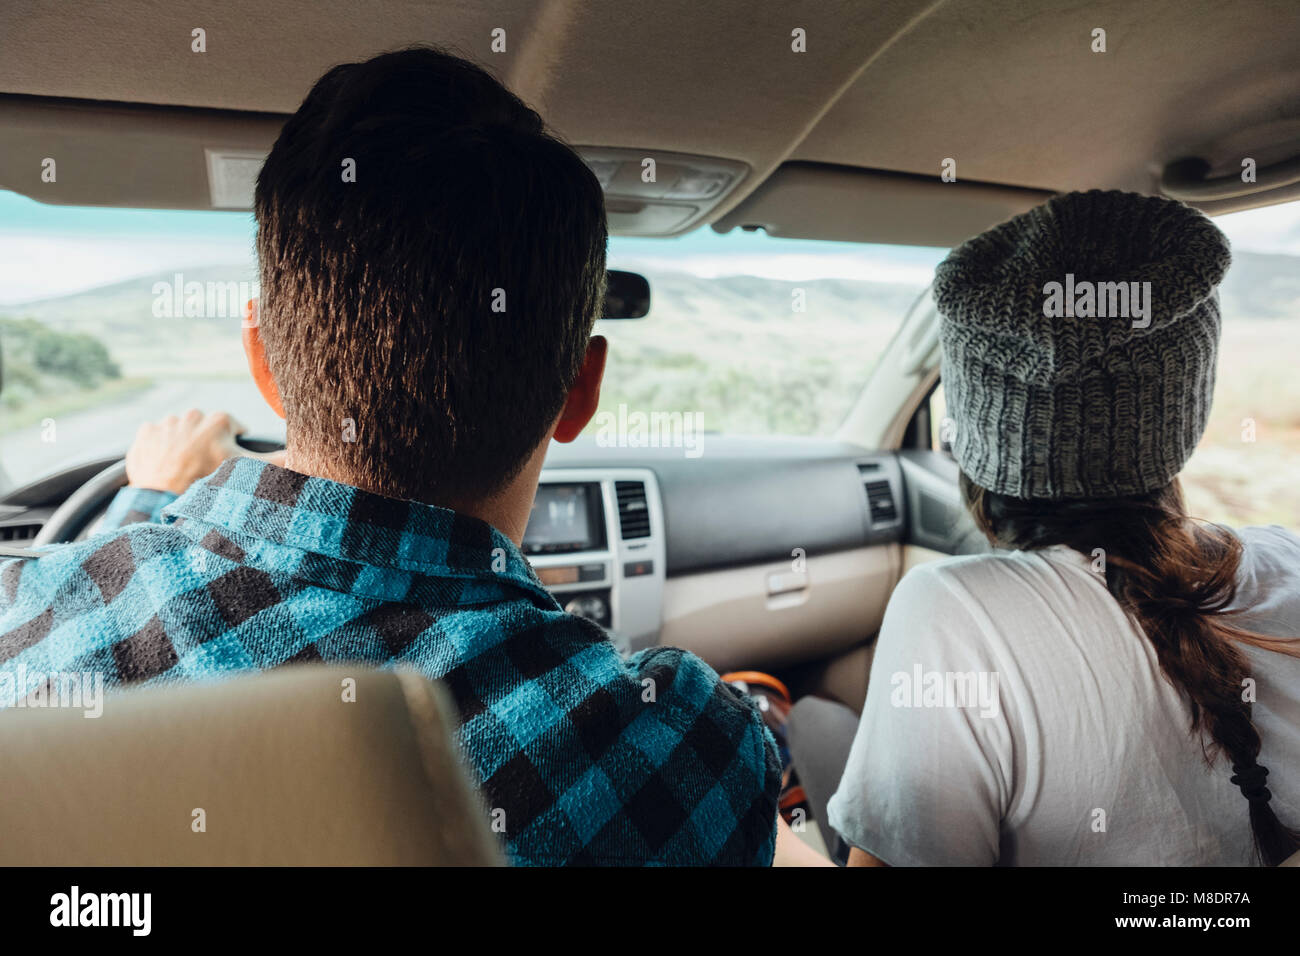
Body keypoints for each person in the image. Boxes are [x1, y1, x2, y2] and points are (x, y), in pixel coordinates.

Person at [0, 46, 780, 867]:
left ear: (263, 358)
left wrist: (148, 503)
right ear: (581, 391)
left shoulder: (26, 620)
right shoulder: (694, 752)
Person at [825, 190, 1300, 866]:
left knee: (808, 730)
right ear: (1184, 409)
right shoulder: (1289, 560)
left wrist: (770, 826)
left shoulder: (952, 612)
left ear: (979, 436)